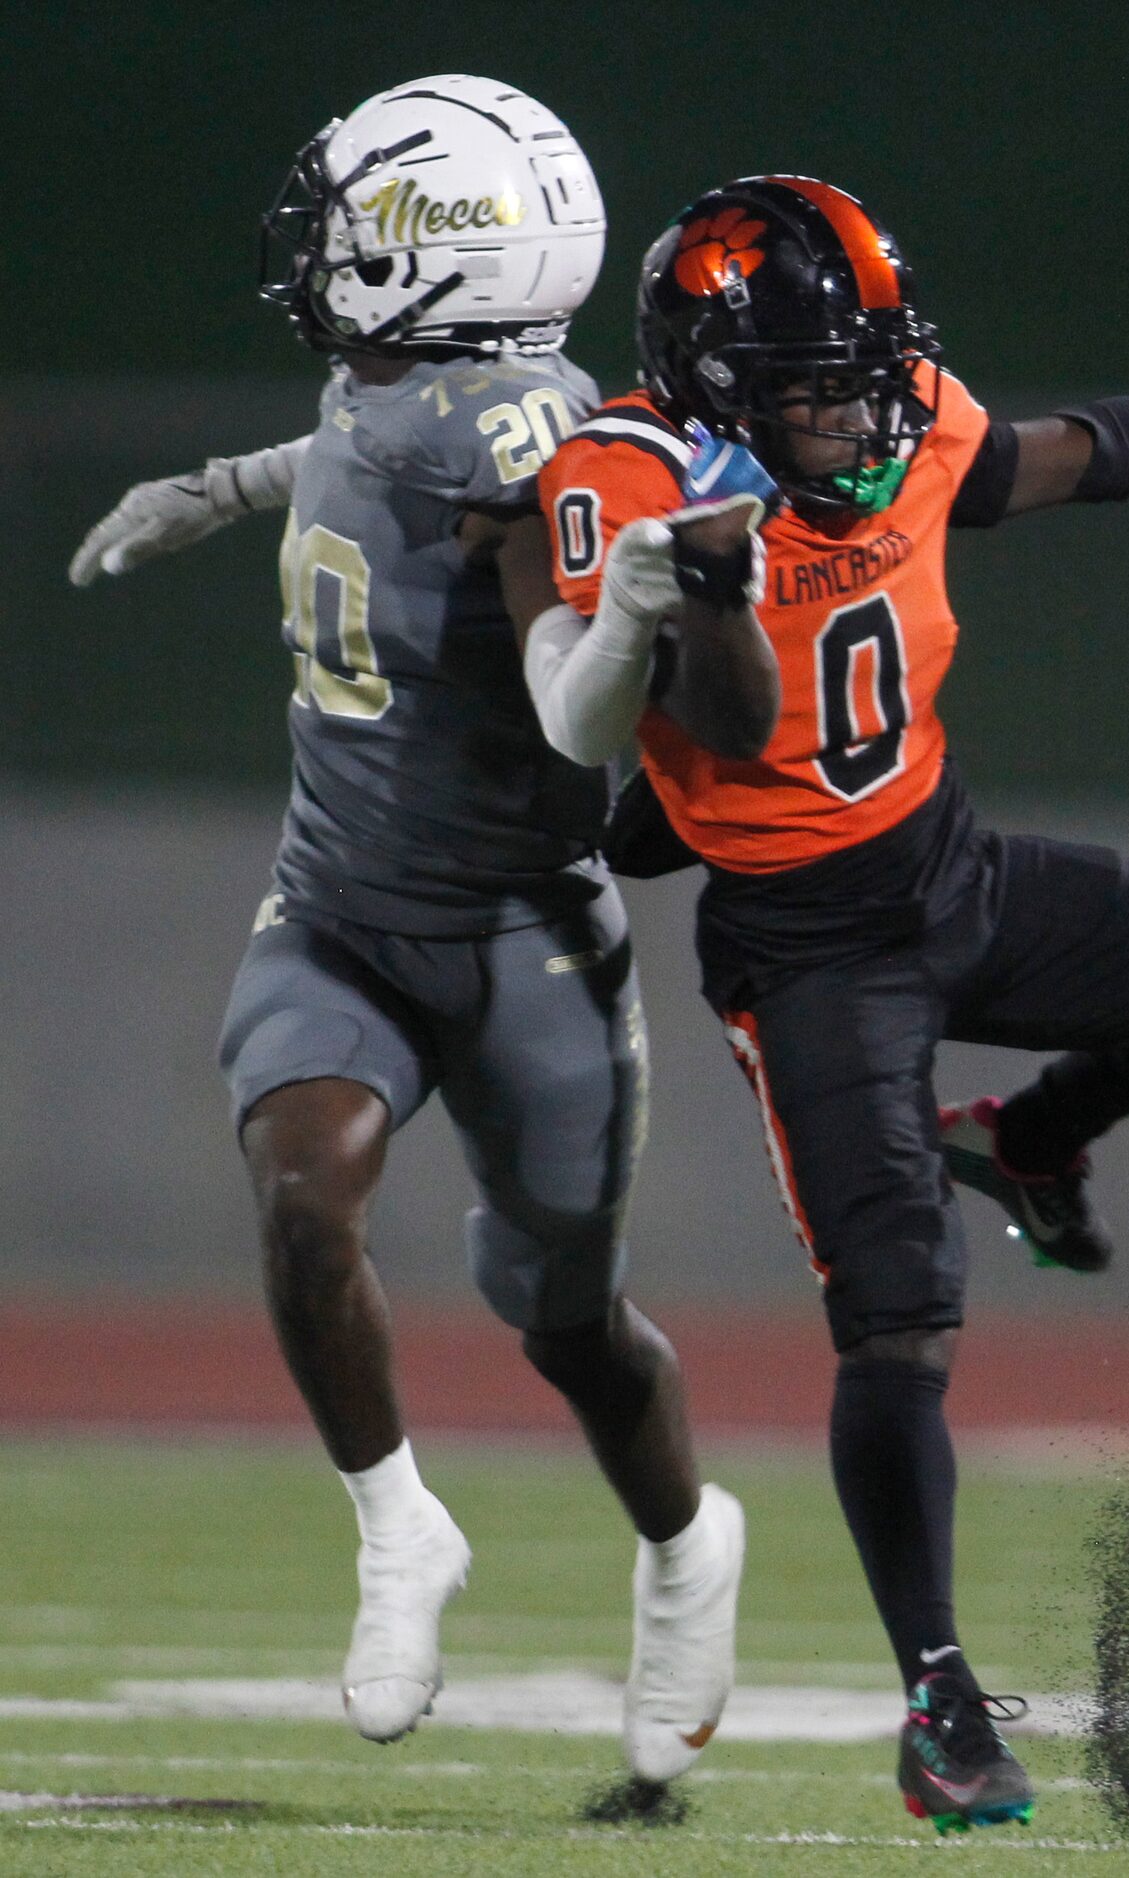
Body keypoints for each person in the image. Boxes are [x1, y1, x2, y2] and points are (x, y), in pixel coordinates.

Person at [526, 173, 1129, 1832]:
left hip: (950, 875)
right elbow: (729, 737)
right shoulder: (628, 478)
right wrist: (718, 587)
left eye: (866, 368)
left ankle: (1031, 1133)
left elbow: (1078, 454)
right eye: (815, 383)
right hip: (807, 950)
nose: (861, 407)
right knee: (898, 1314)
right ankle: (942, 1699)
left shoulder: (894, 429)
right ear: (711, 375)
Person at [66, 76, 755, 1783]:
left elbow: (571, 701)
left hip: (523, 931)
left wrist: (627, 635)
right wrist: (230, 481)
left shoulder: (529, 433)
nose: (323, 246)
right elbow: (363, 445)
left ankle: (685, 1542)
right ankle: (398, 1528)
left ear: (447, 263)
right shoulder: (407, 381)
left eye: (358, 222)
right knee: (307, 1200)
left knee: (574, 1328)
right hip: (341, 912)